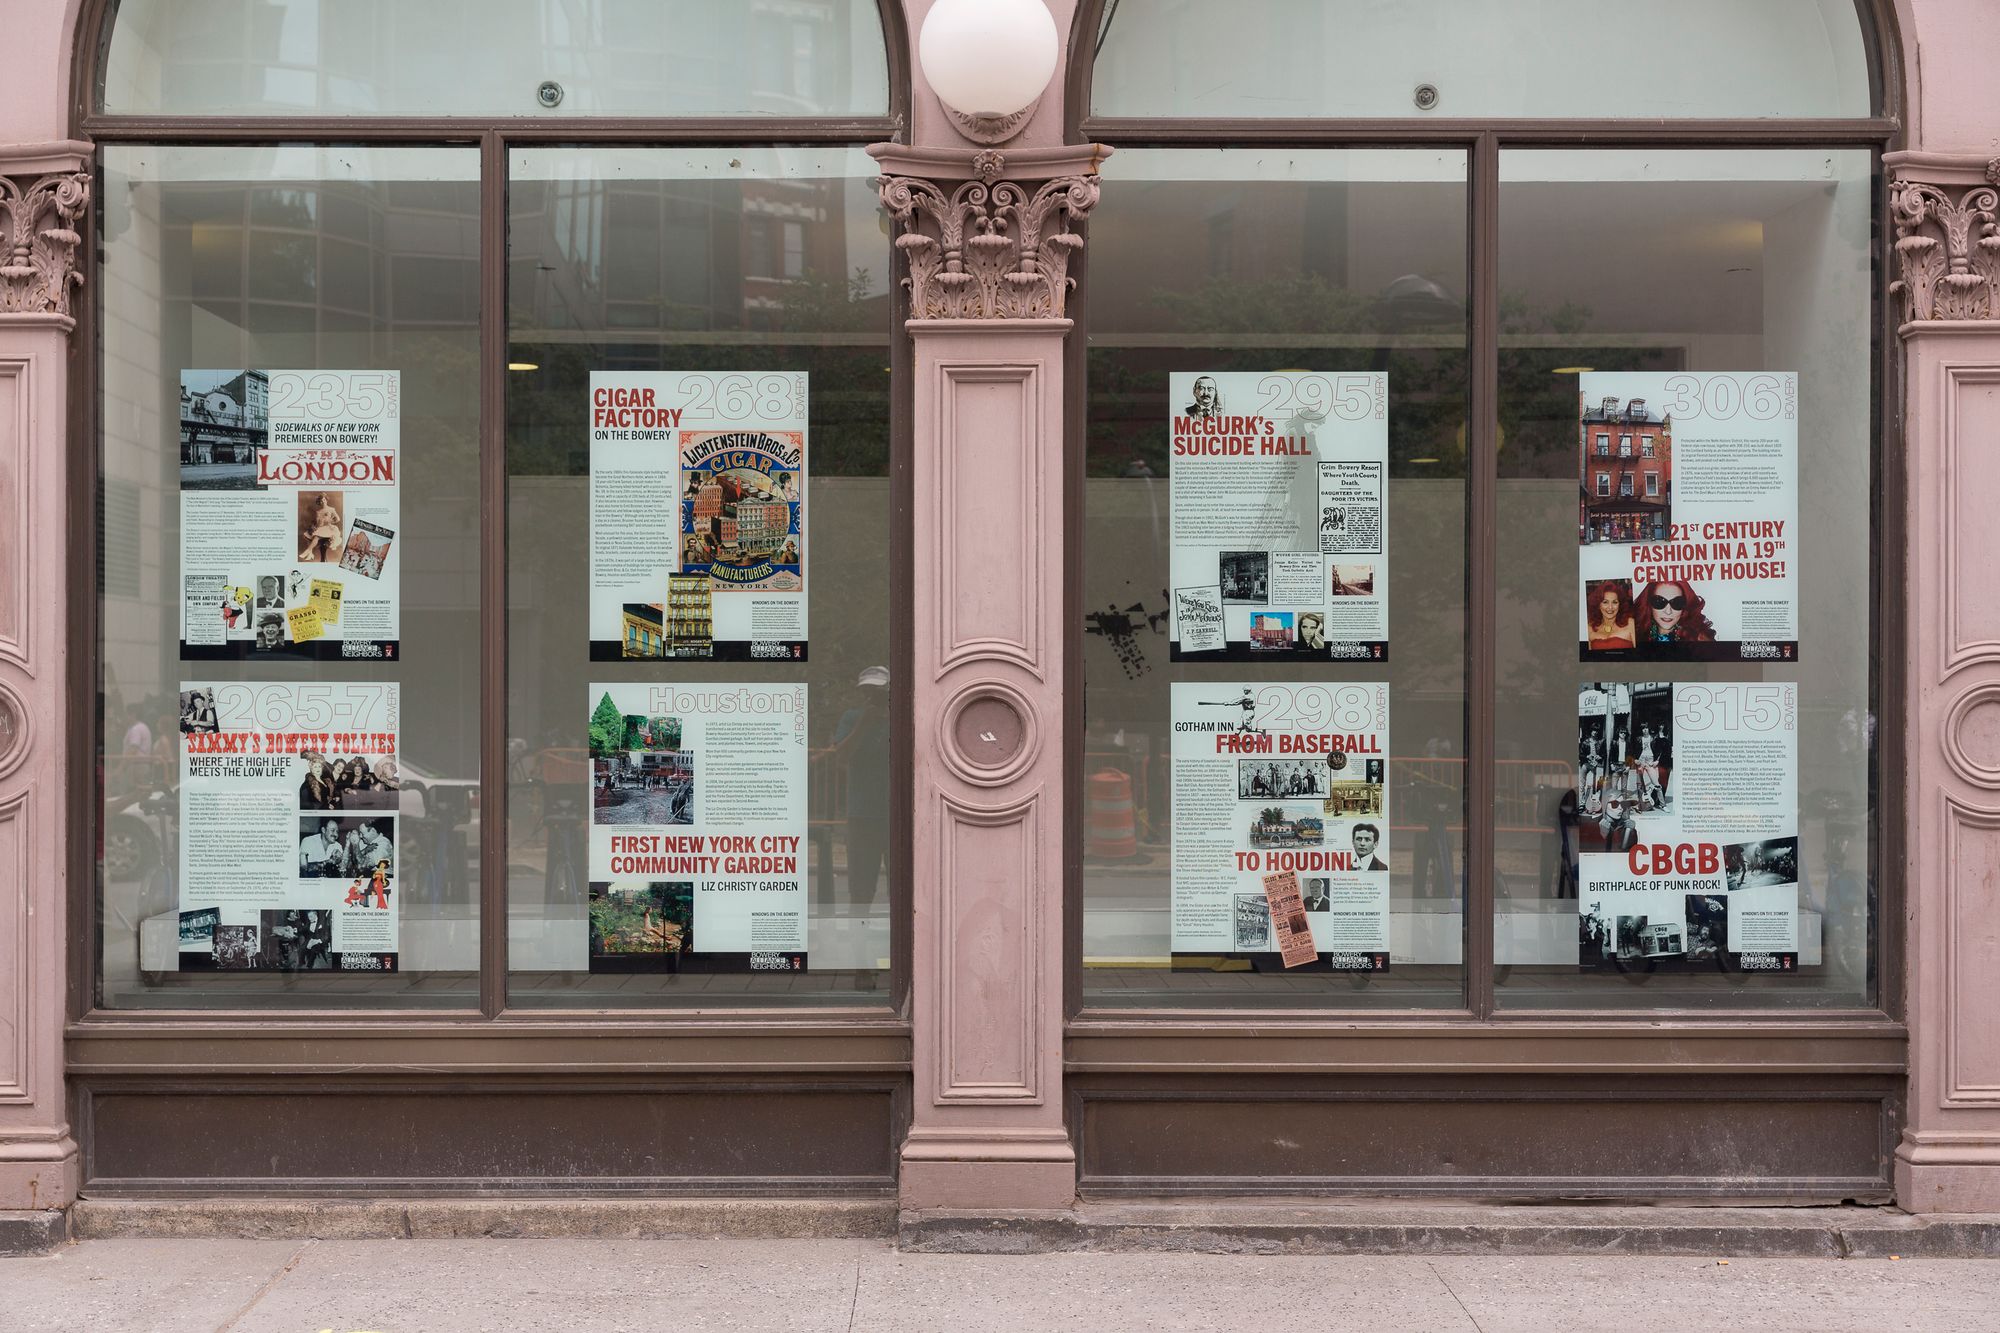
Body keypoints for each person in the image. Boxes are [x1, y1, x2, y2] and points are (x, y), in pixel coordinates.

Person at [831, 666, 892, 908]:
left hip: (895, 817)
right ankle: (859, 945)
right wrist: (862, 725)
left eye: (877, 692)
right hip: (862, 815)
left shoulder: (903, 716)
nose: (872, 698)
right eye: (867, 692)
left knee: (903, 891)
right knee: (860, 891)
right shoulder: (852, 718)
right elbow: (840, 757)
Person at [1634, 580, 1717, 646]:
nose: (1668, 611)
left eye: (1677, 603)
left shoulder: (1698, 640)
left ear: (1685, 606)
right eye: (1659, 602)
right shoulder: (1636, 636)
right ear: (1649, 604)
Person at [1586, 581, 1637, 650]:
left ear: (1620, 604)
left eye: (1614, 602)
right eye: (1605, 602)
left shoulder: (1631, 624)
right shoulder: (1589, 628)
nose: (1610, 607)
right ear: (1598, 605)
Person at [300, 492, 343, 562]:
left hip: (329, 528)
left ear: (326, 500)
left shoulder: (331, 509)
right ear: (319, 502)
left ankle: (309, 551)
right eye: (321, 501)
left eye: (324, 500)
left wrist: (330, 521)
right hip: (321, 528)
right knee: (310, 535)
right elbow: (318, 523)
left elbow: (338, 519)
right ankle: (309, 552)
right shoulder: (318, 512)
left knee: (316, 536)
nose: (323, 502)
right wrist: (315, 526)